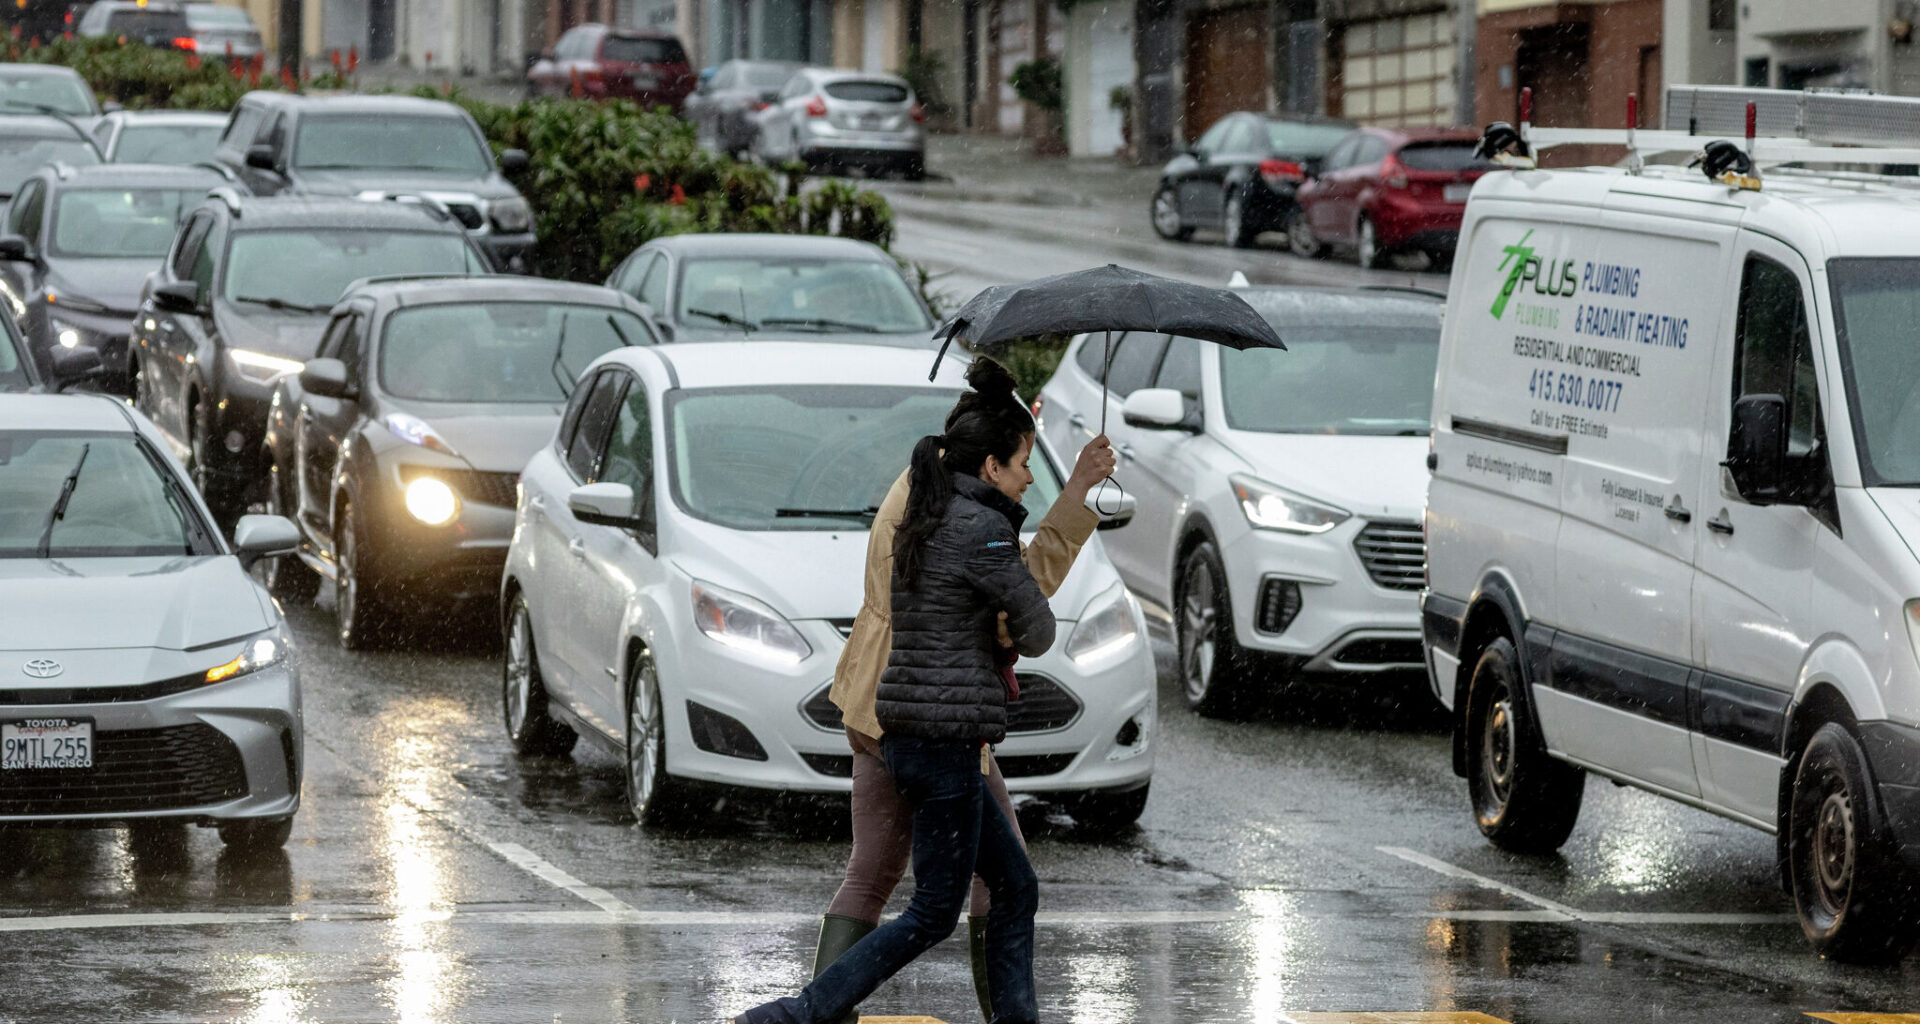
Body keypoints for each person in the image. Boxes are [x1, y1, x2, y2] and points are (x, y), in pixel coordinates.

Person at [735, 360, 1090, 1024]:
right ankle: (800, 1015)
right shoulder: (968, 519)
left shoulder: (923, 495)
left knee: (895, 875)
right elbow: (1024, 607)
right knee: (960, 898)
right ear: (986, 460)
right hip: (942, 714)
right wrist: (1074, 504)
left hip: (884, 699)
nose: (1027, 474)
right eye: (1020, 458)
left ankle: (813, 1016)